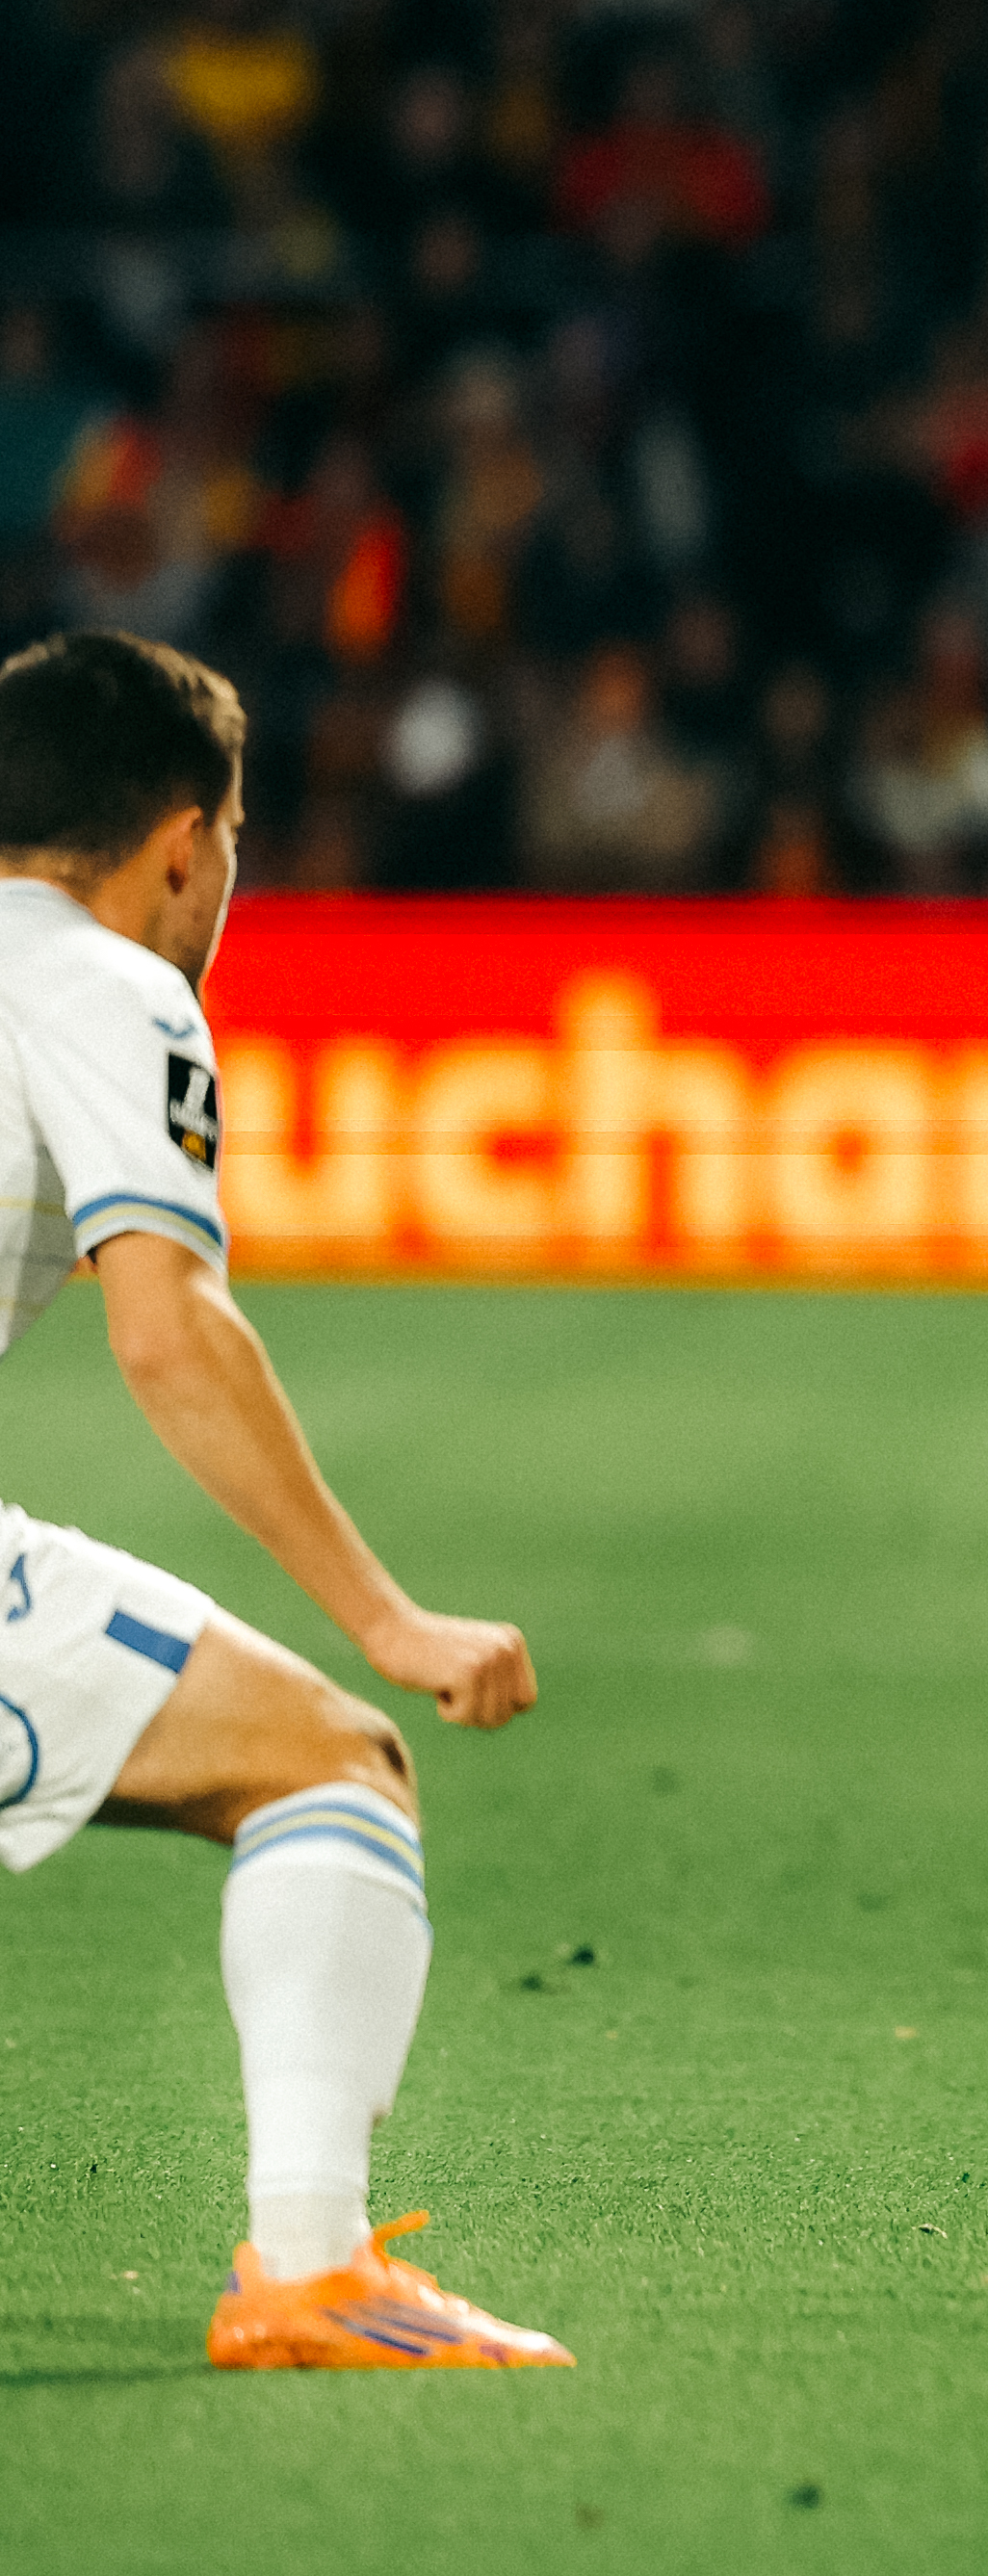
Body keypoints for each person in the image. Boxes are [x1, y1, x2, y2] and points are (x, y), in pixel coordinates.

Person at [0, 631, 569, 2368]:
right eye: (237, 840)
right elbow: (172, 1334)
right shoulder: (103, 984)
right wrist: (389, 1617)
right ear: (185, 840)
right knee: (331, 1761)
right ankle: (313, 2268)